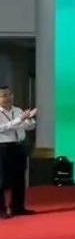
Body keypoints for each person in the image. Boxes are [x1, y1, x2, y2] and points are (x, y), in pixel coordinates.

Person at [0, 86, 36, 219]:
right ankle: (1, 210)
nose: (7, 98)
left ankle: (18, 207)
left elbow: (30, 127)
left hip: (19, 146)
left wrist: (29, 118)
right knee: (2, 180)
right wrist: (19, 120)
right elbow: (2, 128)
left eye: (9, 95)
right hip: (3, 147)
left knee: (19, 178)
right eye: (3, 95)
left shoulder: (18, 110)